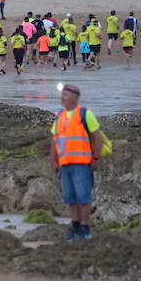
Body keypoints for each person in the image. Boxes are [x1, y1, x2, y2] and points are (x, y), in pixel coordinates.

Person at [51, 84, 103, 241]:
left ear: (75, 97)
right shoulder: (59, 116)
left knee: (83, 198)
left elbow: (97, 137)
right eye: (62, 95)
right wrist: (54, 160)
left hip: (81, 163)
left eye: (65, 95)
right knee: (70, 198)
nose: (62, 98)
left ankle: (85, 229)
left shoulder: (85, 114)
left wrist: (96, 158)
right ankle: (74, 227)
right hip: (65, 164)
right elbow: (54, 140)